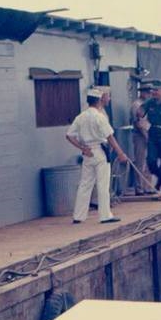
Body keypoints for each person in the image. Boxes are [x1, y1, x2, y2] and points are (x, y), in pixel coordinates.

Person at [66, 88, 128, 224]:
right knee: (102, 184)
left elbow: (69, 135)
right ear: (99, 100)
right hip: (100, 151)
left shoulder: (81, 117)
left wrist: (81, 147)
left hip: (87, 152)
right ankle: (105, 215)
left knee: (85, 184)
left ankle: (78, 216)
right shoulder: (100, 117)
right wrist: (120, 153)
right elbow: (110, 137)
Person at [130, 84, 153, 195]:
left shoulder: (148, 105)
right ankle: (139, 188)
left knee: (149, 161)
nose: (150, 94)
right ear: (142, 92)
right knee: (140, 162)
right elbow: (138, 123)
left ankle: (148, 187)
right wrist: (146, 136)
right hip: (140, 136)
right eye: (148, 92)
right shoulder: (137, 105)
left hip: (148, 134)